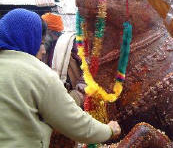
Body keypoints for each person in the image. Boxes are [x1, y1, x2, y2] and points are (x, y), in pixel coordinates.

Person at [0, 9, 121, 147]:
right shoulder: (39, 73)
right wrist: (109, 131)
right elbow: (75, 123)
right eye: (41, 43)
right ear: (28, 39)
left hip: (70, 92)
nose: (43, 49)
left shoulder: (72, 45)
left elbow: (87, 65)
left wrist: (82, 83)